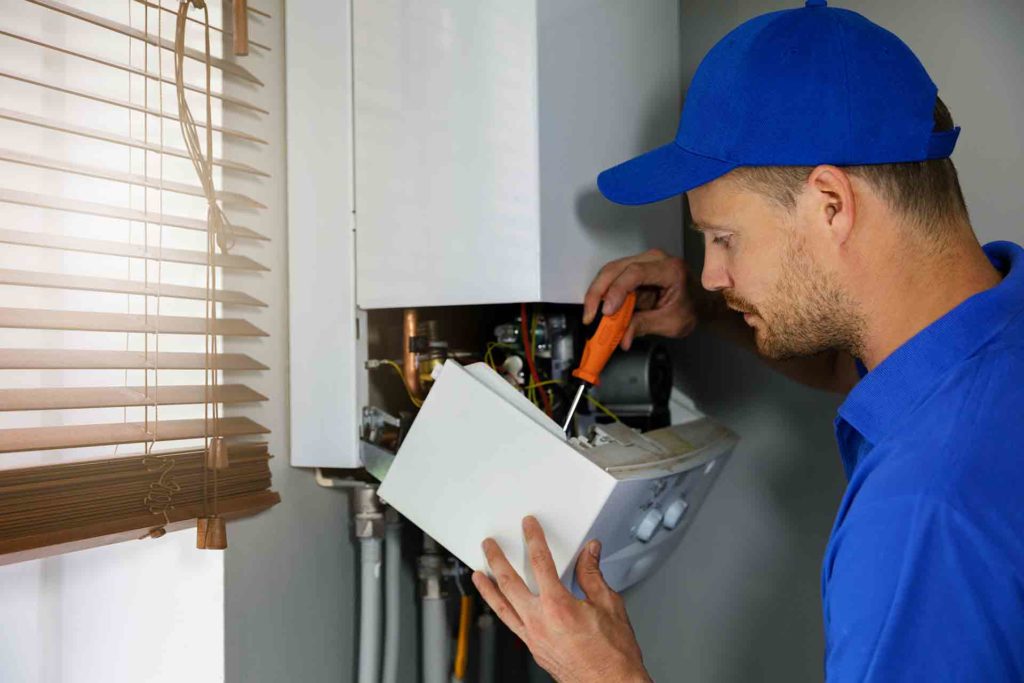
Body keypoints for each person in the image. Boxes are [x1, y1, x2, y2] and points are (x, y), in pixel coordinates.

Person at [471, 1, 1024, 681]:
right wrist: (706, 308)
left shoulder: (922, 517)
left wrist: (607, 674)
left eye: (723, 239)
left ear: (830, 205)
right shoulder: (993, 330)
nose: (710, 272)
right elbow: (863, 367)